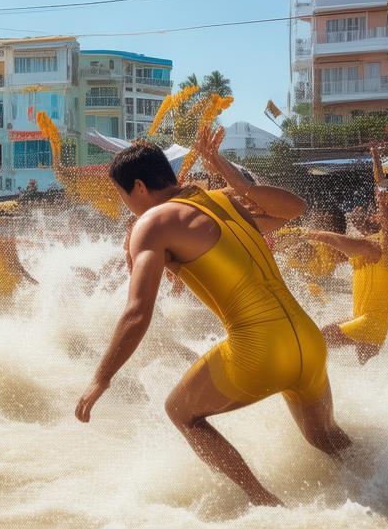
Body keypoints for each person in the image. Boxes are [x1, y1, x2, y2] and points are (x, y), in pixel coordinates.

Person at [76, 128, 350, 506]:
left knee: (180, 412)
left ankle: (265, 503)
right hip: (308, 341)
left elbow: (137, 312)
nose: (126, 206)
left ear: (138, 187)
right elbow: (294, 208)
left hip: (258, 351)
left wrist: (101, 378)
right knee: (329, 440)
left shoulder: (151, 224)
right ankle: (386, 484)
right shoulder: (225, 201)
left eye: (122, 195)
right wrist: (226, 170)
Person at [288, 194, 388, 364]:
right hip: (370, 323)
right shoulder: (375, 244)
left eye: (369, 212)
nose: (362, 212)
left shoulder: (372, 247)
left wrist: (304, 233)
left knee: (319, 338)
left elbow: (329, 238)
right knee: (366, 368)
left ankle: (295, 371)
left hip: (369, 323)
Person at [0, 219, 37, 311]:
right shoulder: (7, 245)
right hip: (7, 285)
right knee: (8, 311)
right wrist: (32, 281)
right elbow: (16, 267)